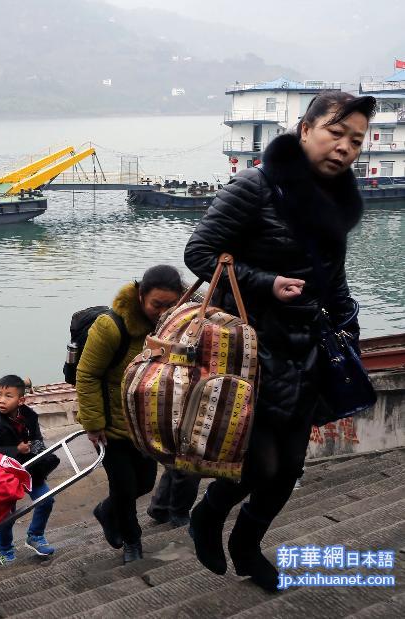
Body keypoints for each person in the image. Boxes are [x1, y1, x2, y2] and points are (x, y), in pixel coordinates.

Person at [184, 91, 375, 591]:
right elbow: (200, 253)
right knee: (260, 464)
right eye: (336, 133)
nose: (345, 148)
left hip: (304, 351)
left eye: (355, 141)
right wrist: (265, 283)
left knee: (289, 468)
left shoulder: (334, 200)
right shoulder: (254, 186)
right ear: (305, 128)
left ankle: (247, 547)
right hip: (248, 352)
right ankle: (209, 515)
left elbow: (331, 275)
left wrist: (348, 326)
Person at [76, 265, 184, 563]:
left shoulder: (175, 326)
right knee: (124, 488)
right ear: (140, 296)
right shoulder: (111, 326)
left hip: (146, 426)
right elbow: (87, 375)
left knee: (145, 484)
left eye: (169, 305)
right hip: (112, 426)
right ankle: (132, 543)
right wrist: (94, 424)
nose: (161, 311)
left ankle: (106, 511)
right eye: (156, 304)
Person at [0, 374, 57, 566]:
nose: (1, 400)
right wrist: (16, 450)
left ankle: (35, 536)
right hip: (5, 475)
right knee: (6, 516)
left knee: (46, 500)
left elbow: (37, 438)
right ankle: (4, 549)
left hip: (30, 469)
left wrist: (38, 448)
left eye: (8, 396)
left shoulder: (30, 416)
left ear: (21, 400)